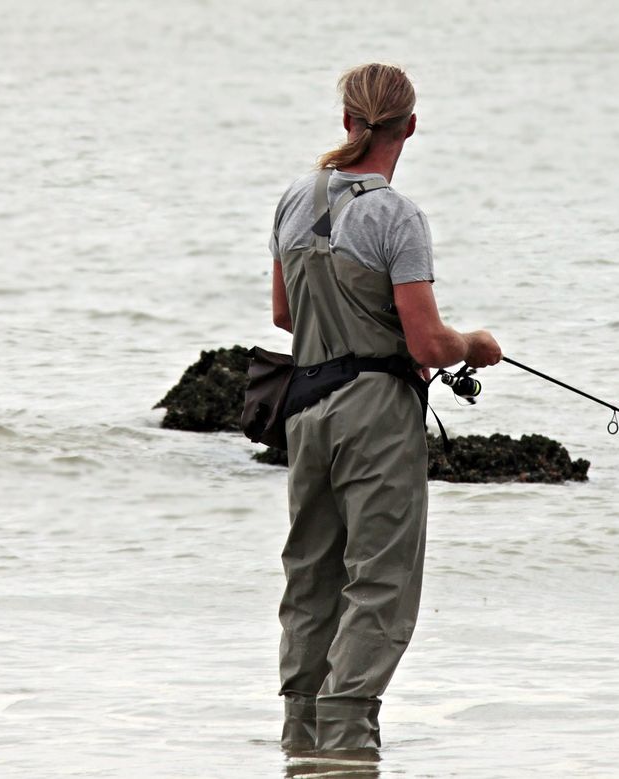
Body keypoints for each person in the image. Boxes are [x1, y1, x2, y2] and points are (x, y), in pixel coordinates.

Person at [268, 63, 502, 754]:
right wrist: (477, 345)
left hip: (305, 409)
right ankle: (346, 740)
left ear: (347, 120)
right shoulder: (396, 215)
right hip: (375, 414)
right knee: (380, 582)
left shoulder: (291, 199)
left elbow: (285, 315)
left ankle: (301, 741)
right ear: (411, 126)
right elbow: (430, 339)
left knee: (311, 578)